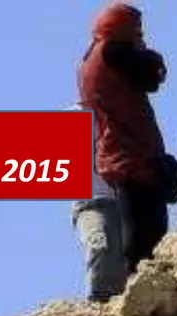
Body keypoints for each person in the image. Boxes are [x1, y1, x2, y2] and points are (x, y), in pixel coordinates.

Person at [77, 3, 177, 273]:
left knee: (137, 236)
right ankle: (141, 295)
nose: (140, 38)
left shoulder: (89, 60)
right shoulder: (113, 51)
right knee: (146, 241)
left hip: (119, 158)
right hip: (133, 159)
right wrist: (145, 51)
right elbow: (152, 75)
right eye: (137, 32)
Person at [67, 103, 126, 301]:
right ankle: (98, 306)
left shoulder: (119, 113)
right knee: (101, 246)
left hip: (120, 201)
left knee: (126, 260)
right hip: (90, 203)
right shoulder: (77, 114)